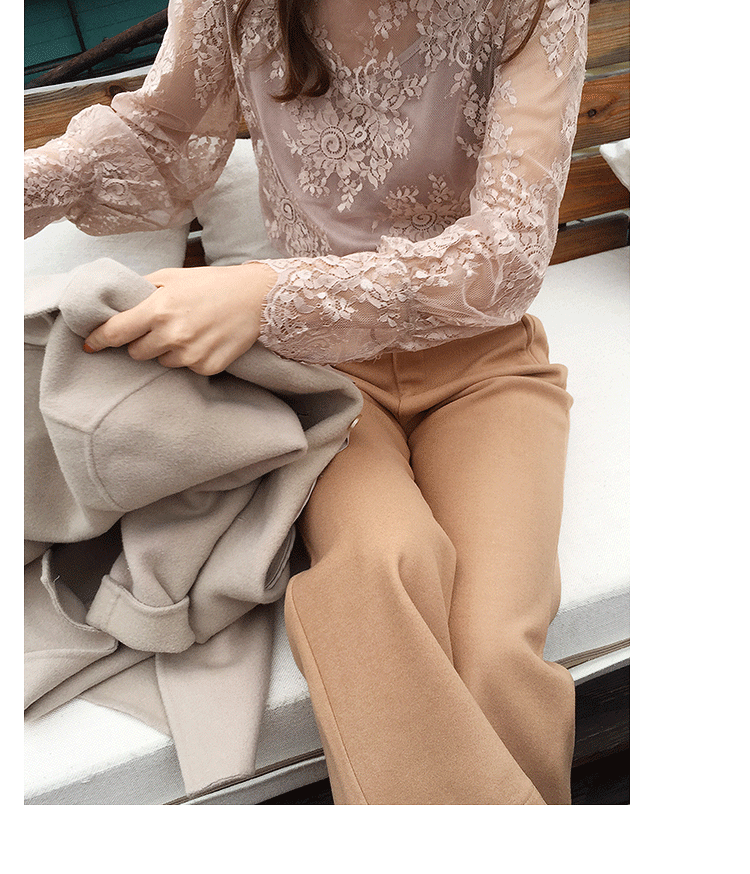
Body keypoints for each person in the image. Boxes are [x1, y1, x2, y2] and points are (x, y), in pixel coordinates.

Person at [24, 0, 589, 804]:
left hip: (487, 363)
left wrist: (264, 293)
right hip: (323, 380)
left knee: (498, 647)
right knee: (380, 568)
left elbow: (506, 258)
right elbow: (157, 134)